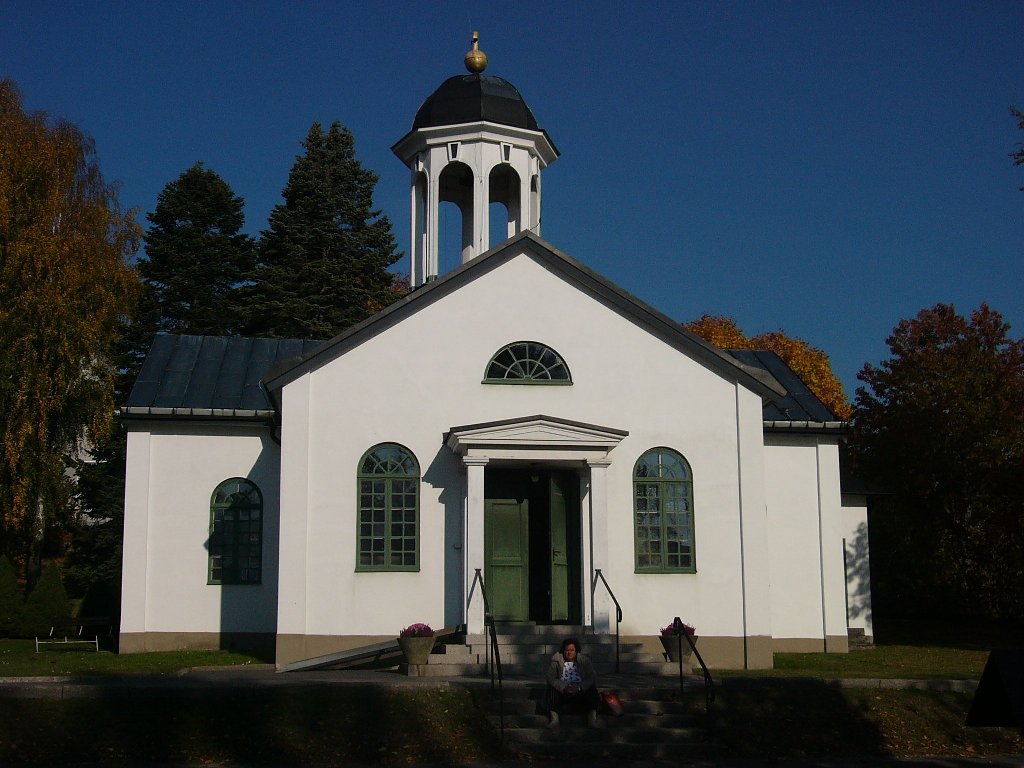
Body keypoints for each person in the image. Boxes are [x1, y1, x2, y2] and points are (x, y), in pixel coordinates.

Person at [545, 636, 602, 728]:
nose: (569, 653)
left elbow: (592, 677)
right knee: (551, 689)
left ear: (576, 651)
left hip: (579, 690)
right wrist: (564, 687)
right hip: (563, 690)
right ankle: (554, 719)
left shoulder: (584, 661)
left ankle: (592, 720)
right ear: (563, 651)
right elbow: (550, 677)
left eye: (572, 650)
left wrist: (579, 688)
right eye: (567, 650)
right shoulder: (556, 661)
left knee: (592, 690)